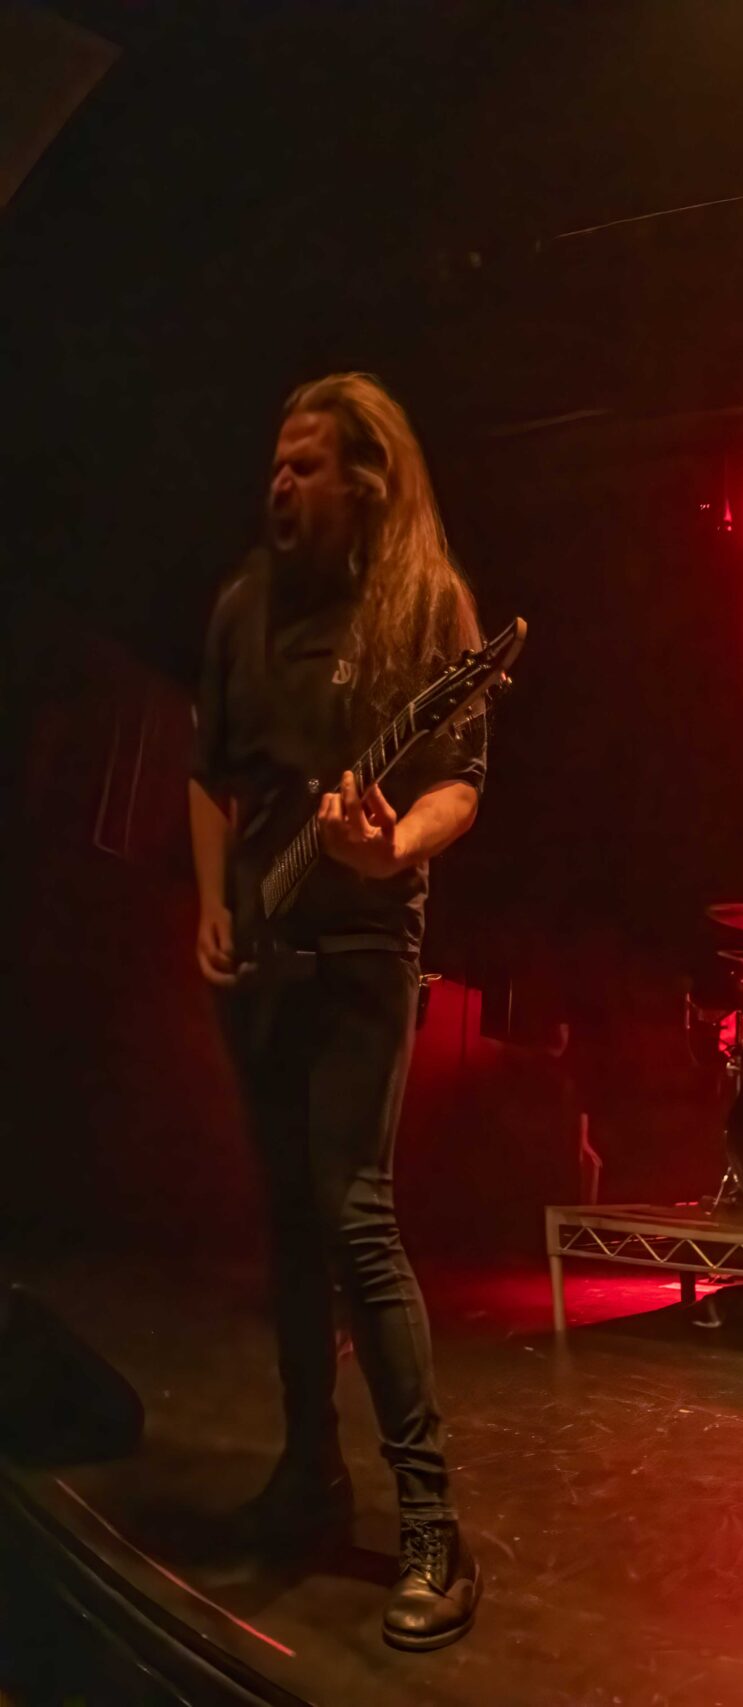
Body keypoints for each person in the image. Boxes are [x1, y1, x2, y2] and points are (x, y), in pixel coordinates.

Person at [190, 373, 486, 1649]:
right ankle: (308, 1476)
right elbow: (210, 771)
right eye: (275, 461)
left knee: (355, 1216)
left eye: (305, 465)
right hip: (257, 951)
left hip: (364, 946)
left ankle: (432, 1528)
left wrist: (389, 847)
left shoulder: (427, 606)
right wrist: (211, 903)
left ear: (366, 483)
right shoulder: (241, 608)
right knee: (288, 1228)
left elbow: (459, 784)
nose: (279, 482)